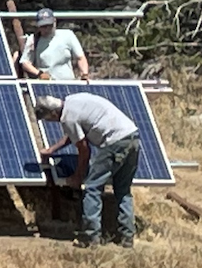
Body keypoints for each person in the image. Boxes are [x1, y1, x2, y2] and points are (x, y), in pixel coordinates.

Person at [35, 93, 140, 247]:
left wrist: (77, 177)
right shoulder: (73, 100)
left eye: (48, 119)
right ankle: (127, 238)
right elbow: (75, 134)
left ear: (53, 113)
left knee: (92, 188)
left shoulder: (67, 118)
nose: (50, 122)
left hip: (114, 143)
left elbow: (84, 151)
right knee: (123, 190)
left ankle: (91, 238)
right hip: (133, 137)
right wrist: (53, 149)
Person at [18, 8, 89, 81]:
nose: (47, 29)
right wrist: (39, 74)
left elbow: (80, 57)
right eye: (43, 26)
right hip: (46, 84)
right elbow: (25, 63)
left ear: (54, 22)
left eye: (49, 25)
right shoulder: (33, 40)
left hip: (68, 82)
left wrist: (84, 74)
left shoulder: (68, 35)